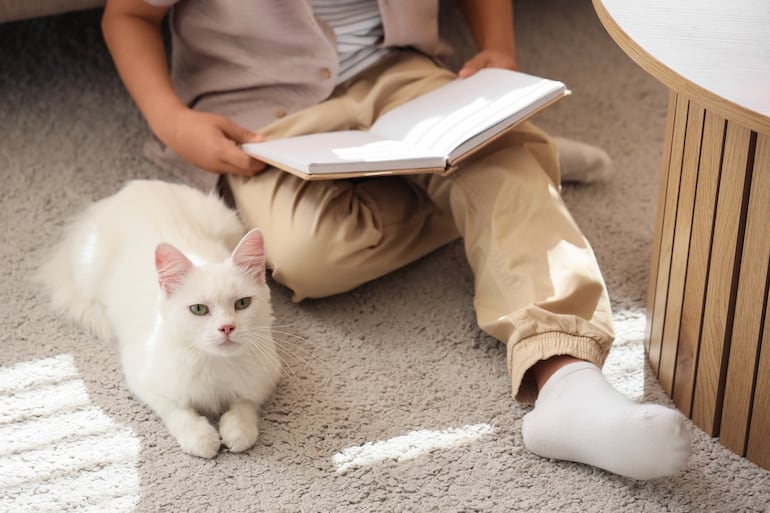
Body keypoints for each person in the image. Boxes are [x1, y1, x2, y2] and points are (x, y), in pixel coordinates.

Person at [101, 0, 691, 479]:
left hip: (403, 73)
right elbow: (127, 13)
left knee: (496, 181)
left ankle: (569, 383)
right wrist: (170, 120)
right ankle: (516, 167)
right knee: (311, 257)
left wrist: (500, 46)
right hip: (261, 110)